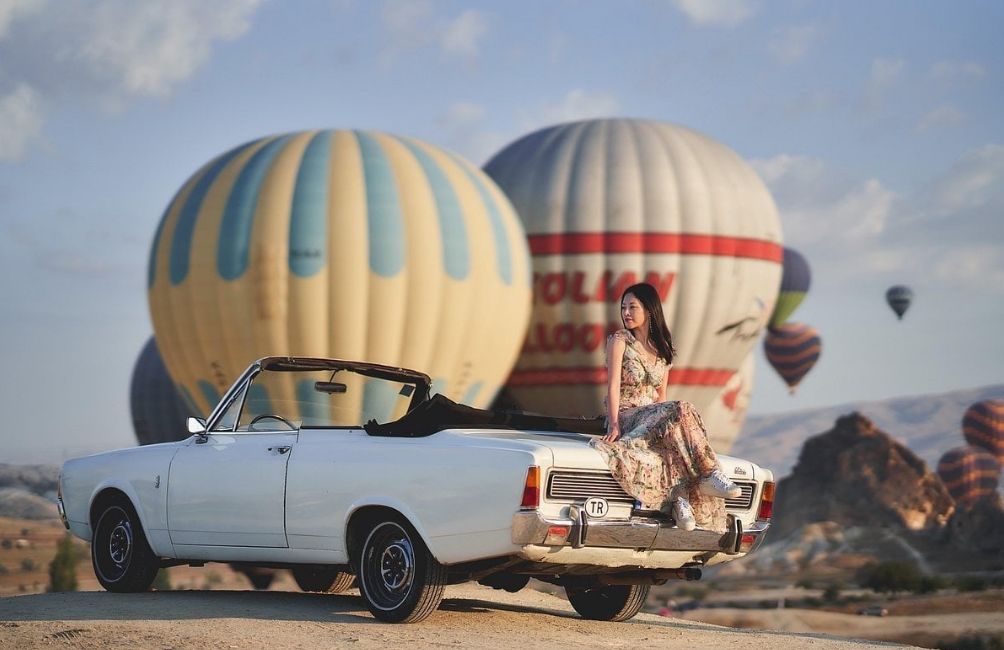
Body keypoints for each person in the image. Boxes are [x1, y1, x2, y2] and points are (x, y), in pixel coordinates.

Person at [591, 282, 741, 533]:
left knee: (672, 438)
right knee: (682, 407)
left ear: (649, 310)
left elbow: (661, 399)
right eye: (623, 307)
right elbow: (613, 385)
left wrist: (666, 433)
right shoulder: (620, 341)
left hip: (655, 418)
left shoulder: (663, 351)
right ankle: (709, 474)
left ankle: (679, 501)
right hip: (629, 416)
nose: (626, 312)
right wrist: (614, 422)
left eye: (632, 307)